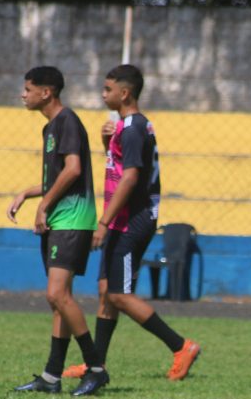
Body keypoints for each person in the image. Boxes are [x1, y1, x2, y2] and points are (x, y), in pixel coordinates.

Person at [62, 64, 201, 382]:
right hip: (121, 219)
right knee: (105, 291)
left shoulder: (133, 128)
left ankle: (181, 346)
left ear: (124, 93)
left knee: (118, 295)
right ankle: (96, 364)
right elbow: (120, 167)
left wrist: (104, 222)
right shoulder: (128, 126)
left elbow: (131, 177)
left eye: (107, 89)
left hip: (131, 221)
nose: (103, 94)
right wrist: (106, 143)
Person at [7, 66, 109, 397]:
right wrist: (28, 193)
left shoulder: (67, 122)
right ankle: (52, 377)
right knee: (58, 301)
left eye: (28, 89)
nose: (23, 95)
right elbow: (58, 177)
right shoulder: (51, 126)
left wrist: (44, 205)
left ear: (46, 92)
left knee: (57, 295)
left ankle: (96, 368)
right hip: (60, 219)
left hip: (72, 220)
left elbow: (74, 169)